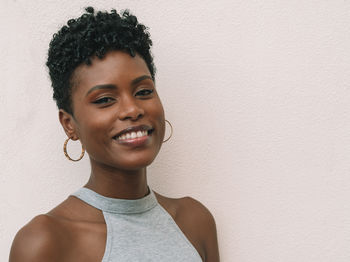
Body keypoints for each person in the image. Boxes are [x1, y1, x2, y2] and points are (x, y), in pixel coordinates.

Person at [9, 7, 220, 262]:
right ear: (69, 124)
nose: (133, 109)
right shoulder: (45, 241)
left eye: (143, 92)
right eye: (105, 99)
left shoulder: (195, 221)